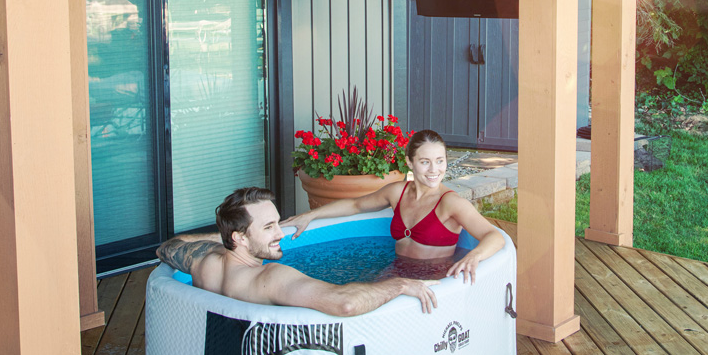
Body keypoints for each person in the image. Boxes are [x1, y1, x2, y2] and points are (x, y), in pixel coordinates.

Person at [155, 186, 437, 316]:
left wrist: (226, 240)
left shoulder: (204, 262)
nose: (280, 234)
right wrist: (400, 284)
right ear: (240, 238)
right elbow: (345, 304)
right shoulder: (270, 277)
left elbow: (168, 247)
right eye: (268, 228)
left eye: (278, 224)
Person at [282, 129, 505, 283]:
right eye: (425, 162)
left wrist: (473, 256)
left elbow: (494, 236)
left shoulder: (450, 203)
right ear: (409, 162)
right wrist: (311, 215)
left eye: (440, 160)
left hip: (434, 278)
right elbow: (356, 205)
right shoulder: (398, 192)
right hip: (397, 270)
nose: (434, 170)